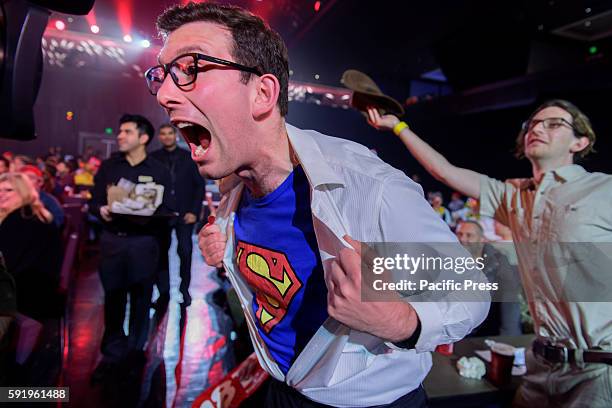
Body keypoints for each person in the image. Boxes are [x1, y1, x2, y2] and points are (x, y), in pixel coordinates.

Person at [148, 3, 489, 407]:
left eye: (190, 69)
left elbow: (469, 292)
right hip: (278, 384)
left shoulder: (368, 187)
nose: (165, 95)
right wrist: (226, 249)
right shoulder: (233, 182)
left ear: (262, 92)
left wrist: (400, 321)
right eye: (161, 76)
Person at [367, 100, 612, 407]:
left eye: (553, 124)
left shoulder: (603, 189)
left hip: (598, 369)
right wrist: (398, 127)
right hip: (541, 365)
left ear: (581, 141)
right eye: (532, 124)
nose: (537, 128)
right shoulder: (516, 198)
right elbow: (443, 171)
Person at [89, 114, 174, 383]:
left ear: (143, 138)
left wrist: (149, 211)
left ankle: (136, 354)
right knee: (113, 299)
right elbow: (93, 203)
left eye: (126, 132)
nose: (120, 136)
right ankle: (112, 353)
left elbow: (168, 209)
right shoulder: (109, 167)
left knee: (141, 300)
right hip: (113, 240)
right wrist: (101, 209)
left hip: (143, 242)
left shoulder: (160, 170)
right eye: (120, 131)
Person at [151, 124, 205, 306]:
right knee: (160, 254)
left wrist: (194, 212)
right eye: (163, 134)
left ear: (176, 136)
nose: (166, 137)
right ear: (159, 137)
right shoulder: (153, 158)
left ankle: (185, 290)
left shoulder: (188, 157)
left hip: (185, 213)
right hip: (161, 214)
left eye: (169, 133)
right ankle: (163, 291)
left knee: (185, 251)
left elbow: (199, 186)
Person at [0, 172, 62, 320]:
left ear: (23, 192)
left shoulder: (21, 219)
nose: (1, 194)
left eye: (8, 190)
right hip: (39, 291)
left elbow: (8, 264)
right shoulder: (32, 214)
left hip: (25, 296)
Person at [455, 220, 521, 336]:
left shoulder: (498, 261)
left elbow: (509, 297)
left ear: (482, 240)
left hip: (485, 329)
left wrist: (509, 338)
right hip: (455, 328)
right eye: (459, 234)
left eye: (469, 235)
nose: (462, 239)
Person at [20, 165, 65, 229]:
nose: (26, 180)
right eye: (22, 178)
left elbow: (57, 222)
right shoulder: (14, 199)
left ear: (40, 182)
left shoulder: (49, 201)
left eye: (31, 177)